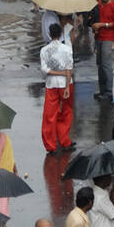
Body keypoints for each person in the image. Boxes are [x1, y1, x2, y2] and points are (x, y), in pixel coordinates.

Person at [40, 23, 73, 154]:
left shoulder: (44, 50)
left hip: (51, 84)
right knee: (66, 113)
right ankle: (64, 141)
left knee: (49, 115)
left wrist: (58, 73)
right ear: (60, 34)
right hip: (66, 83)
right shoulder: (67, 49)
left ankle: (51, 145)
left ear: (49, 33)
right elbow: (69, 68)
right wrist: (66, 85)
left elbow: (44, 70)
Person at [89, 0, 114, 99]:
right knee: (100, 65)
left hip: (108, 38)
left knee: (107, 65)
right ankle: (102, 90)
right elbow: (92, 20)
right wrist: (93, 26)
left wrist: (102, 25)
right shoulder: (96, 6)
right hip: (98, 38)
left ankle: (109, 92)